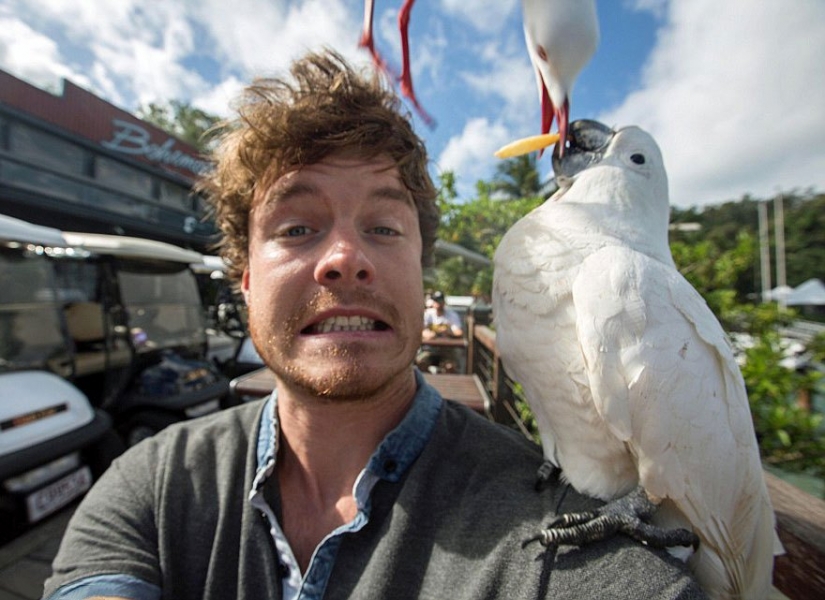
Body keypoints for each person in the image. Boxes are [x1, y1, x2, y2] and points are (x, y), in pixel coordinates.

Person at [42, 50, 706, 600]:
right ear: (244, 276)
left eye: (384, 227)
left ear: (421, 270)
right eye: (297, 228)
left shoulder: (550, 538)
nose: (344, 261)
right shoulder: (151, 486)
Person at [417, 290, 464, 373]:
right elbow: (421, 331)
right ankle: (426, 384)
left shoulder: (451, 315)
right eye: (436, 300)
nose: (438, 303)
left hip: (447, 351)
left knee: (450, 367)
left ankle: (448, 385)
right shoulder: (428, 314)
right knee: (421, 362)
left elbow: (459, 332)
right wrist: (431, 333)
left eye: (440, 300)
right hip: (430, 350)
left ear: (444, 302)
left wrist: (448, 331)